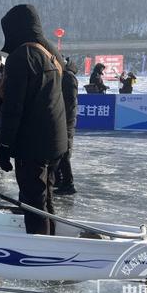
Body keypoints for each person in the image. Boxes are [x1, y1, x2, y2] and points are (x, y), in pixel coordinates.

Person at [0, 4, 67, 235]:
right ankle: (51, 249)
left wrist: (4, 146)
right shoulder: (51, 55)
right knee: (46, 201)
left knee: (33, 205)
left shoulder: (22, 57)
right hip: (55, 141)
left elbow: (13, 108)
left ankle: (38, 261)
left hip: (32, 145)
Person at [55, 57, 78, 195]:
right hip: (61, 119)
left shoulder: (68, 78)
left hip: (65, 121)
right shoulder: (62, 76)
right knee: (58, 152)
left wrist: (61, 117)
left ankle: (68, 183)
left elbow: (69, 103)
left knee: (64, 153)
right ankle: (59, 180)